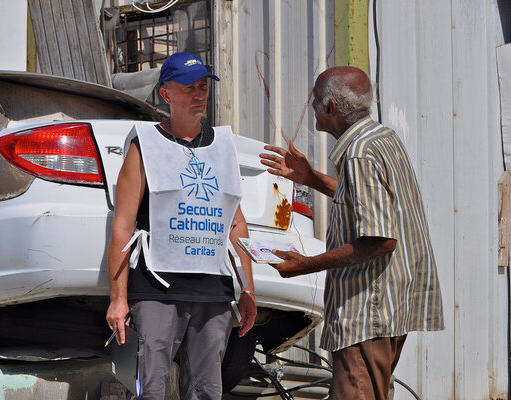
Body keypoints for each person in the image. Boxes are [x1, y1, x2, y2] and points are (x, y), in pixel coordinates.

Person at [259, 66, 443, 400]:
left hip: (367, 311)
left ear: (329, 108)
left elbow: (380, 240)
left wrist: (305, 264)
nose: (311, 106)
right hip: (389, 308)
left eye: (315, 99)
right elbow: (367, 202)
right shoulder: (380, 138)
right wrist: (312, 178)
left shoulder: (358, 153)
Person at [106, 52, 257, 400]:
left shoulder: (223, 146)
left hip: (214, 290)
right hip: (158, 288)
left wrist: (247, 290)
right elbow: (123, 227)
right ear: (166, 94)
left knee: (207, 390)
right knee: (152, 389)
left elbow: (236, 224)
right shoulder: (144, 146)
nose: (199, 95)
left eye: (203, 87)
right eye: (189, 87)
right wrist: (118, 300)